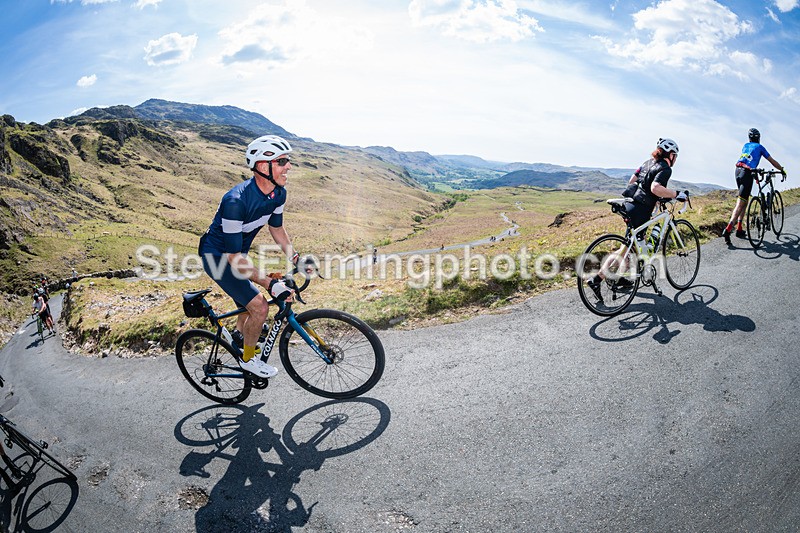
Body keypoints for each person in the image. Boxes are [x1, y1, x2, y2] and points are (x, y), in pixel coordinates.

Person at [199, 135, 300, 379]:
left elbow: (276, 229)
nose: (289, 166)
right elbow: (233, 258)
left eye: (288, 160)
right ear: (263, 166)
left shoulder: (278, 193)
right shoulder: (235, 202)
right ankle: (248, 361)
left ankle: (239, 335)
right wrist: (269, 283)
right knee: (259, 306)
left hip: (237, 255)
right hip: (218, 257)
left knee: (246, 303)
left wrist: (296, 258)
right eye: (282, 161)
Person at [587, 138, 686, 299]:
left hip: (632, 205)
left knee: (628, 247)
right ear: (670, 154)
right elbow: (656, 188)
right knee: (628, 248)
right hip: (641, 210)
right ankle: (598, 278)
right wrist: (676, 194)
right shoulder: (666, 168)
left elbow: (632, 181)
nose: (675, 158)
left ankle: (615, 277)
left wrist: (653, 195)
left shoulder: (648, 162)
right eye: (675, 155)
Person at [721, 128, 786, 244]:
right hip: (747, 173)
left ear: (749, 138)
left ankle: (740, 228)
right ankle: (728, 228)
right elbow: (772, 161)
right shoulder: (760, 147)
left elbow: (748, 158)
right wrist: (781, 169)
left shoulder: (746, 145)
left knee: (744, 200)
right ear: (759, 138)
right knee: (740, 203)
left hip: (737, 171)